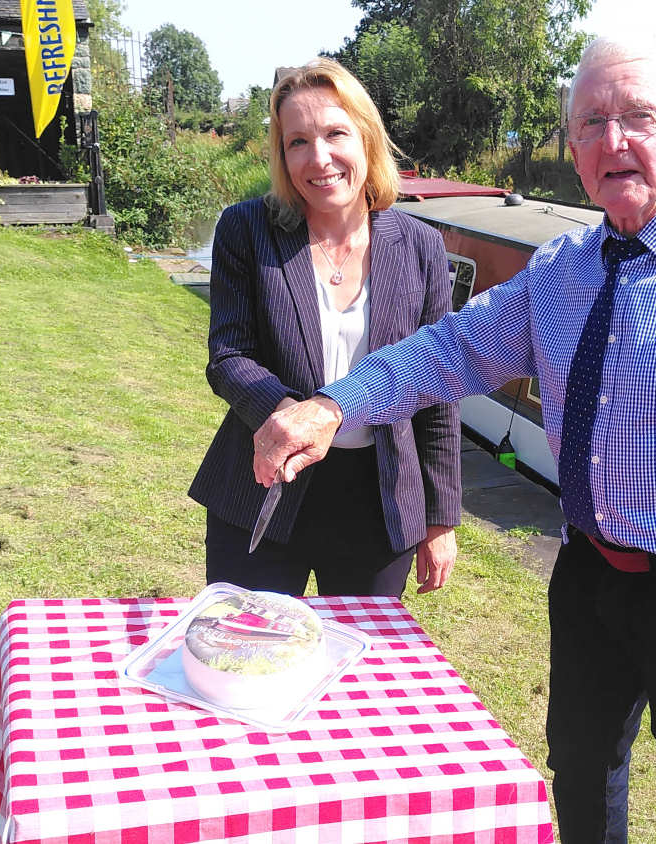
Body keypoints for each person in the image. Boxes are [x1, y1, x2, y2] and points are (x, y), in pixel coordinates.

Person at [253, 30, 656, 842]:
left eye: (638, 117)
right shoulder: (562, 268)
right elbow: (450, 350)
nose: (614, 141)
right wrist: (330, 406)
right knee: (580, 770)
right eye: (591, 123)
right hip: (589, 578)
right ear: (572, 148)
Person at [187, 57, 461, 599]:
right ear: (281, 153)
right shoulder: (246, 228)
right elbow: (229, 355)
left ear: (366, 139)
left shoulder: (423, 248)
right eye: (297, 142)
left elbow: (440, 385)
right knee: (248, 651)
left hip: (379, 499)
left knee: (359, 664)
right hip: (264, 477)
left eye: (336, 133)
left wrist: (441, 515)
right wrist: (296, 417)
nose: (319, 158)